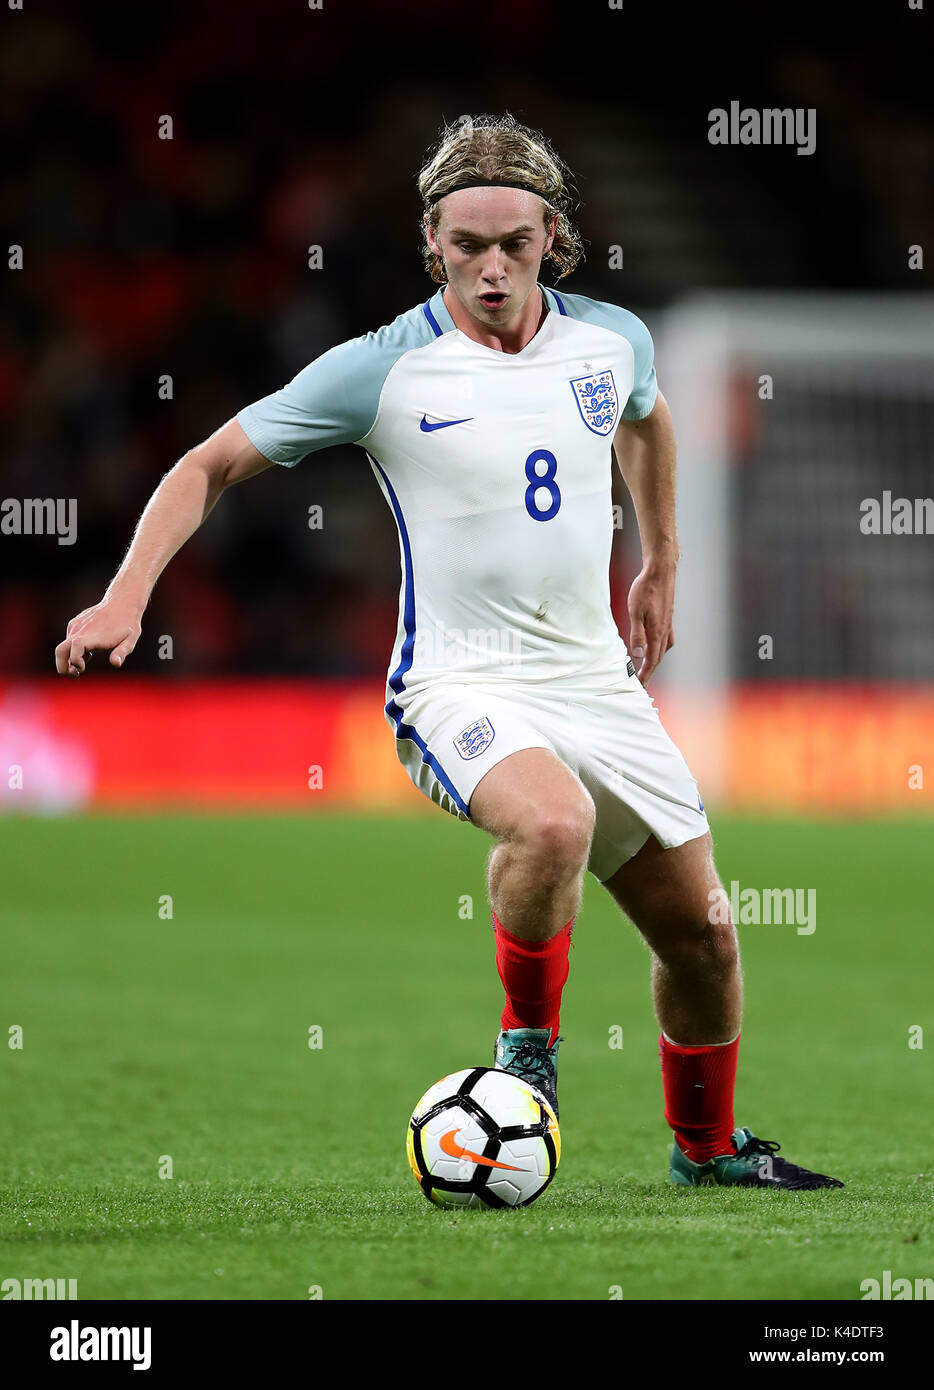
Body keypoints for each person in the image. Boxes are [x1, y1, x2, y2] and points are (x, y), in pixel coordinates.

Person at [56, 114, 841, 1190]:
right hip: (457, 683)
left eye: (513, 243)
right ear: (431, 241)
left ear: (552, 237)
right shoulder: (379, 370)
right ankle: (529, 1050)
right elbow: (206, 463)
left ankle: (706, 1152)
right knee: (552, 819)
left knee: (704, 936)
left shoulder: (612, 341)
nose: (490, 265)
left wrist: (659, 560)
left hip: (595, 684)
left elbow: (647, 424)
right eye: (466, 244)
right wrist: (124, 596)